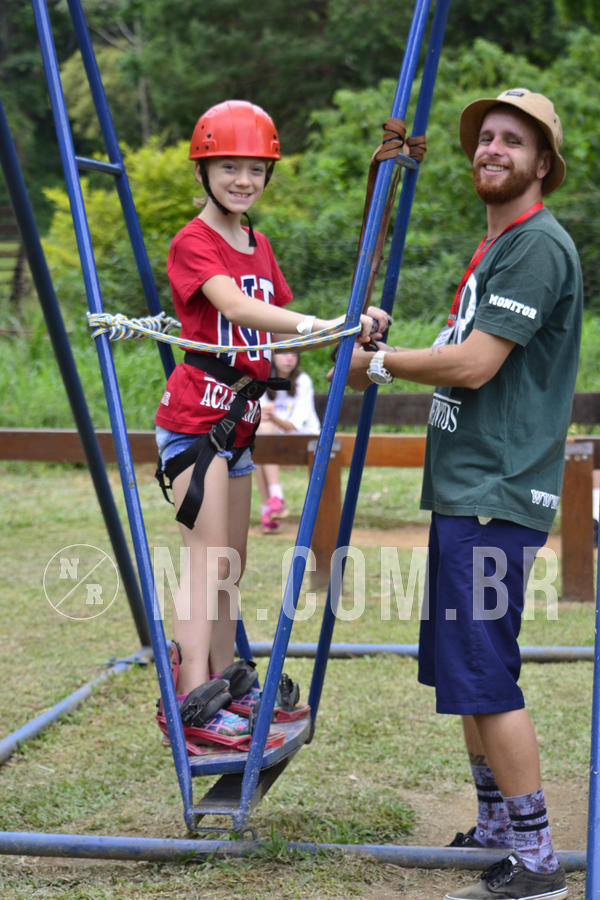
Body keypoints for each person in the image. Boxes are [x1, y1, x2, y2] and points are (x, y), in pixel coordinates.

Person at [347, 88, 581, 900]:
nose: (493, 148)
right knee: (465, 673)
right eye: (486, 136)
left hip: (496, 491)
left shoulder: (537, 245)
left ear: (542, 163)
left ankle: (538, 859)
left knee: (486, 671)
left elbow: (478, 364)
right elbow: (461, 347)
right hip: (466, 489)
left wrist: (382, 364)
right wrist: (387, 342)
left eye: (513, 140)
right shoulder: (497, 246)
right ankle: (497, 828)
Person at [154, 99, 388, 750]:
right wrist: (323, 322)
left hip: (239, 424)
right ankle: (190, 702)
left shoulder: (258, 245)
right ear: (203, 171)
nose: (243, 180)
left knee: (231, 564)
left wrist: (349, 326)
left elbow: (279, 337)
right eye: (228, 167)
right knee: (206, 561)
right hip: (197, 423)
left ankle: (225, 684)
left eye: (255, 169)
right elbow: (235, 308)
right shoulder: (194, 242)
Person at [254, 349, 321, 533]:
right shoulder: (263, 380)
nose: (289, 358)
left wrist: (271, 417)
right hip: (271, 439)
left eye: (294, 354)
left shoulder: (303, 381)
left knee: (263, 437)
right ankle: (273, 504)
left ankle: (271, 504)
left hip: (304, 440)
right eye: (284, 353)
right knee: (260, 439)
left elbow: (293, 426)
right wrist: (264, 416)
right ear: (273, 356)